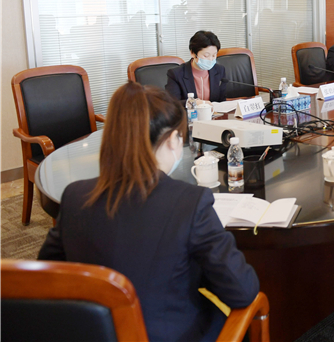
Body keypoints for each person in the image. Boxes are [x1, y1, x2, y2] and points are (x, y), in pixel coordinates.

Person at [38, 82, 259, 342]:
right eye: (180, 137)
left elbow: (45, 276)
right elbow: (242, 290)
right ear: (171, 140)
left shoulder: (75, 197)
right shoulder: (191, 202)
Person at [165, 30, 227, 102]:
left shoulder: (219, 70)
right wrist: (194, 103)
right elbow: (173, 103)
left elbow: (222, 101)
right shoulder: (176, 74)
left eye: (214, 55)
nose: (210, 59)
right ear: (193, 53)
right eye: (206, 55)